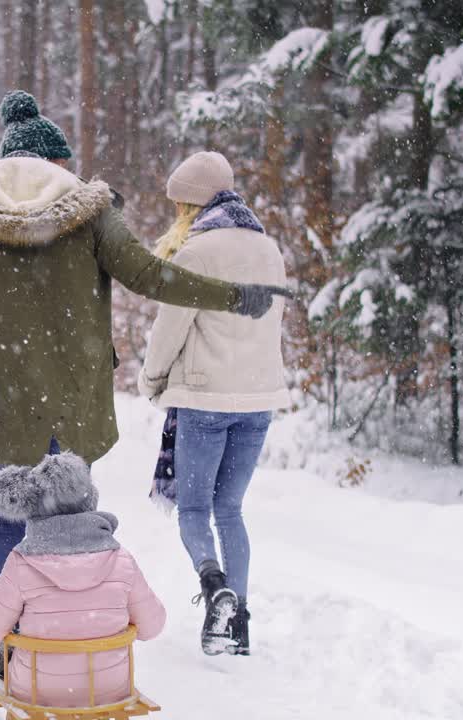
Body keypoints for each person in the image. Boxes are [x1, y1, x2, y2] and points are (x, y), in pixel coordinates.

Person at [0, 90, 290, 590]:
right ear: (55, 162)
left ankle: (11, 640)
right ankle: (73, 626)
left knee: (4, 521)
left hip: (1, 401)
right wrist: (232, 296)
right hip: (74, 397)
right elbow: (148, 275)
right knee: (72, 520)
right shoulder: (91, 211)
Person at [138, 151, 291, 657]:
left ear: (191, 203)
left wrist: (153, 380)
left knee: (194, 509)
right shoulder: (270, 249)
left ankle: (213, 586)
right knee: (230, 509)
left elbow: (170, 329)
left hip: (205, 397)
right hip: (259, 400)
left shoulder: (197, 251)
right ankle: (238, 623)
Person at [0, 453, 166, 707]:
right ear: (90, 501)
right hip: (108, 690)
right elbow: (153, 625)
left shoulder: (22, 562)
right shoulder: (121, 559)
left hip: (37, 692)